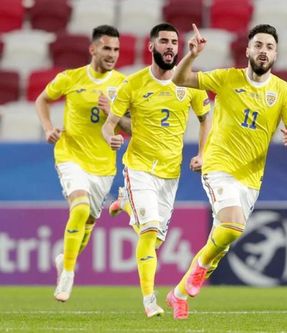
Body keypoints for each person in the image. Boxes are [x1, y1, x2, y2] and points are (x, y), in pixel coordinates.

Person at [166, 23, 287, 320]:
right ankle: (199, 270)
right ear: (248, 50)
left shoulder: (284, 91)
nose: (263, 51)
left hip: (251, 178)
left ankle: (177, 293)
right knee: (233, 225)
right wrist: (191, 56)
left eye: (269, 47)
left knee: (224, 238)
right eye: (258, 45)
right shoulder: (227, 78)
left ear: (275, 54)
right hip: (218, 166)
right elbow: (179, 79)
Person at [101, 22, 211, 318]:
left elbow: (205, 118)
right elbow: (111, 122)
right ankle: (150, 300)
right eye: (164, 41)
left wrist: (202, 152)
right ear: (152, 47)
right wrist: (110, 137)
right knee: (149, 231)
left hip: (170, 174)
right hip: (138, 168)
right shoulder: (133, 84)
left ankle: (125, 203)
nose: (170, 46)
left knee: (157, 237)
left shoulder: (189, 83)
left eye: (174, 42)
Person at [35, 25, 127, 302]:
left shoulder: (124, 84)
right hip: (71, 155)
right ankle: (68, 274)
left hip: (103, 165)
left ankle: (66, 258)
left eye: (117, 50)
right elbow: (42, 99)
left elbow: (133, 127)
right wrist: (48, 127)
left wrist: (116, 129)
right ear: (93, 49)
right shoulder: (70, 78)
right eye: (107, 48)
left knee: (87, 223)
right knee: (81, 207)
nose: (112, 54)